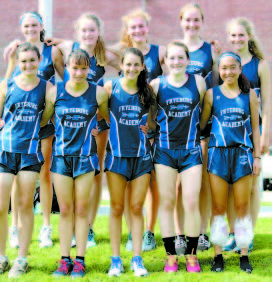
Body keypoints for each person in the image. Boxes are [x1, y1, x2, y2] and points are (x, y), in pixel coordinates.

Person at [0, 11, 65, 249]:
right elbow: (5, 85)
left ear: (42, 26)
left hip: (43, 121)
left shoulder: (53, 51)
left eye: (34, 24)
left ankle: (46, 226)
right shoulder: (17, 52)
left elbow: (65, 80)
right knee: (19, 178)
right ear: (22, 28)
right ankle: (16, 226)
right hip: (19, 124)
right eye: (26, 25)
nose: (30, 28)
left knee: (45, 174)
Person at [46, 13, 120, 248]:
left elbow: (130, 69)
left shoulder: (105, 55)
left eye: (92, 30)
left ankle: (88, 226)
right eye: (84, 30)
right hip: (72, 118)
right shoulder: (68, 47)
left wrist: (114, 93)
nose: (88, 34)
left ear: (99, 31)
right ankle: (60, 226)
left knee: (95, 171)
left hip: (96, 117)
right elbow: (48, 43)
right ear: (77, 32)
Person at [0, 43, 55, 278]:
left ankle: (21, 258)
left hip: (29, 153)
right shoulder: (7, 84)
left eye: (32, 60)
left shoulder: (46, 87)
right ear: (17, 62)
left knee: (25, 205)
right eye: (23, 61)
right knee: (0, 207)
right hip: (4, 151)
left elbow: (47, 116)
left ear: (39, 62)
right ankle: (0, 257)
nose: (28, 65)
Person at [40, 49, 110, 278]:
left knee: (81, 209)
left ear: (89, 68)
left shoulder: (98, 94)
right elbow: (43, 120)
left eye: (83, 68)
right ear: (67, 67)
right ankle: (64, 260)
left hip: (85, 159)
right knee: (65, 210)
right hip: (61, 158)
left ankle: (79, 260)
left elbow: (110, 119)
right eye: (74, 67)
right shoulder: (54, 92)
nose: (79, 72)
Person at [109, 8, 165, 252]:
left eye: (141, 26)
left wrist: (152, 126)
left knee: (147, 191)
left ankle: (147, 233)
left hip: (147, 135)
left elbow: (180, 60)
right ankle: (129, 239)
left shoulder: (160, 53)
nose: (138, 30)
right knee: (121, 201)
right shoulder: (119, 59)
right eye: (133, 27)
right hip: (123, 133)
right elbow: (92, 47)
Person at [200, 51, 261, 273]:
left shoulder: (250, 95)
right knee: (218, 207)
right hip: (218, 155)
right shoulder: (210, 94)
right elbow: (202, 124)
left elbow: (255, 127)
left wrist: (257, 156)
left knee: (242, 207)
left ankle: (244, 255)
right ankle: (218, 256)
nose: (228, 72)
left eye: (232, 67)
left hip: (243, 155)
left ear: (239, 69)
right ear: (219, 70)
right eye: (223, 68)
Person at [151, 41, 206, 273]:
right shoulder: (156, 85)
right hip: (164, 152)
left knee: (191, 201)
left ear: (187, 59)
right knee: (166, 202)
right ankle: (171, 256)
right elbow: (150, 117)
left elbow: (203, 114)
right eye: (171, 58)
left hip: (191, 150)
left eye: (180, 57)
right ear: (165, 61)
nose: (176, 61)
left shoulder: (198, 82)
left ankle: (191, 256)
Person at [104, 47, 156, 277]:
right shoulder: (109, 88)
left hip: (142, 157)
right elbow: (98, 115)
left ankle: (137, 258)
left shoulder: (148, 91)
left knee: (136, 207)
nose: (132, 68)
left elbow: (153, 123)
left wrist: (150, 128)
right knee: (116, 207)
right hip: (116, 157)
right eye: (128, 64)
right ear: (121, 65)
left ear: (142, 67)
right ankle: (115, 260)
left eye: (137, 64)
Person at [174, 3, 221, 254]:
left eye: (196, 20)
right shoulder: (173, 51)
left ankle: (201, 232)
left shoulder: (210, 51)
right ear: (181, 22)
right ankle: (180, 234)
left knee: (200, 182)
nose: (191, 24)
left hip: (201, 127)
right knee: (179, 185)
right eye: (187, 20)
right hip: (176, 129)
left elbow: (213, 89)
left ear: (202, 22)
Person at [223, 18, 270, 253]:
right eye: (233, 36)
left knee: (252, 187)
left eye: (241, 35)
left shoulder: (260, 65)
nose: (237, 39)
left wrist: (264, 138)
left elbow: (268, 107)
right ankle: (233, 233)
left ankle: (247, 233)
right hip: (230, 133)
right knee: (232, 186)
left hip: (253, 134)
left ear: (249, 36)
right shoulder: (226, 64)